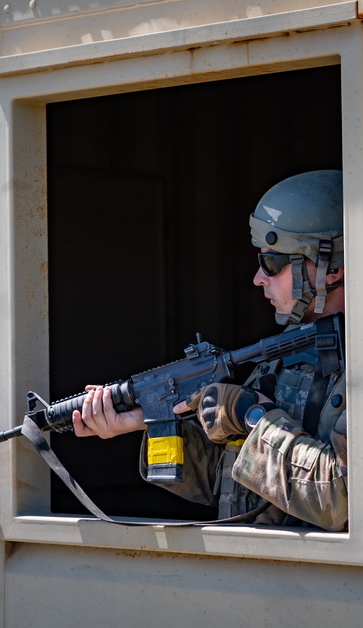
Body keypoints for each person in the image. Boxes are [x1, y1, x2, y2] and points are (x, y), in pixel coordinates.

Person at [71, 170, 348, 532]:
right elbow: (229, 484)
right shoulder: (283, 359)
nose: (258, 278)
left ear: (333, 269)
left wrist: (249, 416)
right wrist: (152, 419)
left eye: (272, 263)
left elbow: (340, 501)